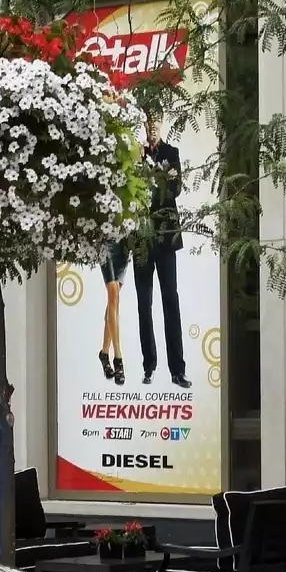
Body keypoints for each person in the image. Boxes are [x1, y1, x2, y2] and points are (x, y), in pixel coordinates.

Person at [133, 116, 189, 388]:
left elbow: (175, 190)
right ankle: (149, 365)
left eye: (157, 123)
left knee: (171, 301)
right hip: (142, 237)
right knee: (144, 304)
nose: (153, 128)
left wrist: (165, 178)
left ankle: (177, 370)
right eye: (149, 124)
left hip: (166, 238)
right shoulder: (136, 154)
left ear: (162, 124)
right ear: (144, 126)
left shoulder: (171, 153)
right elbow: (132, 192)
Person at [98, 240, 127, 385]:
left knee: (113, 301)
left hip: (123, 244)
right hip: (104, 242)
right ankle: (118, 357)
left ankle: (104, 353)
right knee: (113, 294)